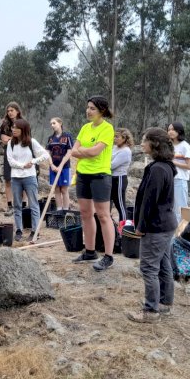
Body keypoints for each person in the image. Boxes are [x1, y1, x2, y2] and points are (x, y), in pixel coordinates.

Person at [127, 127, 178, 323]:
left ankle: (150, 311)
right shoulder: (164, 166)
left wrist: (141, 226)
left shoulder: (158, 169)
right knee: (164, 264)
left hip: (156, 226)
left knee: (149, 267)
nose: (141, 143)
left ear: (154, 144)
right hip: (166, 224)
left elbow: (150, 201)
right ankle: (165, 303)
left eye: (144, 140)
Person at [70, 96, 116, 271]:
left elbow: (96, 152)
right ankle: (90, 251)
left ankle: (109, 256)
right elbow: (74, 151)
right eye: (87, 107)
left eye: (92, 108)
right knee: (85, 213)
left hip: (100, 176)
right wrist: (84, 152)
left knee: (103, 215)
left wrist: (83, 151)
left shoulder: (107, 129)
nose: (88, 111)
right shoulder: (85, 128)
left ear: (102, 111)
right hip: (82, 175)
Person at [6, 118, 49, 241]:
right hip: (16, 178)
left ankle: (35, 231)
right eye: (12, 127)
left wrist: (34, 161)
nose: (13, 130)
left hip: (30, 177)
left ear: (23, 130)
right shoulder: (11, 143)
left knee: (34, 204)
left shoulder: (32, 142)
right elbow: (10, 161)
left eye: (16, 128)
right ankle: (19, 230)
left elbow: (45, 155)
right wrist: (22, 165)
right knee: (17, 205)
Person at [45, 117, 74, 212]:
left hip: (64, 168)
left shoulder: (67, 136)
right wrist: (52, 165)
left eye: (54, 123)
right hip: (53, 168)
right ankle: (59, 210)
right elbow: (47, 153)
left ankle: (66, 211)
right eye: (51, 124)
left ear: (60, 123)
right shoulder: (50, 138)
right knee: (56, 189)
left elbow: (69, 152)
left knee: (64, 190)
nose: (52, 125)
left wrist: (61, 165)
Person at [0, 102, 22, 217]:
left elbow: (25, 139)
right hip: (8, 154)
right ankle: (10, 206)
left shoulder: (23, 123)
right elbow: (3, 139)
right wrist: (14, 138)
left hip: (22, 155)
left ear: (17, 111)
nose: (10, 113)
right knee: (8, 180)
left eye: (12, 110)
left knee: (23, 179)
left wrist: (10, 139)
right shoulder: (5, 124)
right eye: (8, 111)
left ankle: (23, 206)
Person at [167, 122, 190, 222]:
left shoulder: (185, 146)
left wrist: (173, 162)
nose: (170, 132)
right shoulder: (169, 145)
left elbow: (189, 166)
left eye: (173, 129)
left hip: (180, 181)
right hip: (169, 180)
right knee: (170, 209)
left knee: (180, 209)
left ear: (179, 131)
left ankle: (180, 234)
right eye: (168, 129)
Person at [111, 128, 134, 223]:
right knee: (108, 203)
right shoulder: (115, 148)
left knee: (120, 205)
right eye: (114, 136)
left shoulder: (126, 151)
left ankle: (123, 228)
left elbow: (111, 165)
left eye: (117, 137)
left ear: (124, 138)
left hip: (119, 179)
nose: (115, 139)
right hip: (111, 178)